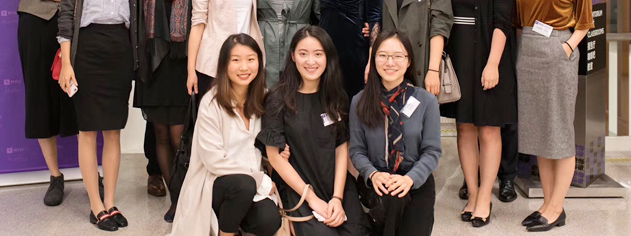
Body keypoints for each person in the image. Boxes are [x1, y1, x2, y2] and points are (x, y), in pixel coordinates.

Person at [437, 0, 523, 204]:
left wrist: (493, 64)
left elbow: (503, 22)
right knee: (464, 128)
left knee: (488, 129)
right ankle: (472, 193)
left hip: (487, 58)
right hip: (457, 58)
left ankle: (485, 196)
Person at [57, 0, 138, 231]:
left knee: (114, 131)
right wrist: (67, 63)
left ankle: (111, 201)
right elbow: (66, 16)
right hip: (87, 51)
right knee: (87, 131)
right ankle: (95, 205)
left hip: (120, 50)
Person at [514, 0, 593, 232]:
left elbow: (584, 21)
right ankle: (547, 204)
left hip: (559, 51)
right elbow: (516, 20)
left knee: (559, 132)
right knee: (539, 134)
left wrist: (567, 48)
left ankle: (557, 207)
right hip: (527, 55)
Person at [257, 26, 372, 236]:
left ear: (328, 57)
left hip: (336, 184)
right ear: (293, 56)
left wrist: (337, 197)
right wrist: (311, 198)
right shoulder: (277, 98)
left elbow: (341, 147)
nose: (311, 61)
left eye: (318, 54)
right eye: (303, 54)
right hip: (298, 188)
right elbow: (274, 157)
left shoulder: (336, 96)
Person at [170, 34, 281, 236]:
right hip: (216, 182)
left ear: (259, 62)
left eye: (250, 59)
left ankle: (234, 222)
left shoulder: (264, 98)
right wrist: (259, 178)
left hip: (251, 184)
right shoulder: (211, 103)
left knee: (269, 220)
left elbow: (267, 145)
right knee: (243, 185)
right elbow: (214, 160)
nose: (244, 67)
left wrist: (278, 154)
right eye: (236, 60)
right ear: (224, 65)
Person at [136, 0, 209, 200]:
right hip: (154, 65)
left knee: (180, 136)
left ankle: (188, 195)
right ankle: (176, 199)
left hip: (185, 65)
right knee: (160, 135)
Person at [16, 0, 79, 207]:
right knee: (40, 98)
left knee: (75, 97)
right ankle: (55, 176)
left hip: (67, 28)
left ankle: (88, 169)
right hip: (35, 27)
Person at [349, 30, 442, 236]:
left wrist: (410, 179)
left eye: (398, 56)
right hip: (377, 181)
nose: (390, 62)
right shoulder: (359, 101)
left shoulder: (426, 101)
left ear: (409, 61)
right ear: (374, 60)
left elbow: (432, 152)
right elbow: (357, 151)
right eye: (383, 55)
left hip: (416, 180)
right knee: (390, 203)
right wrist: (373, 174)